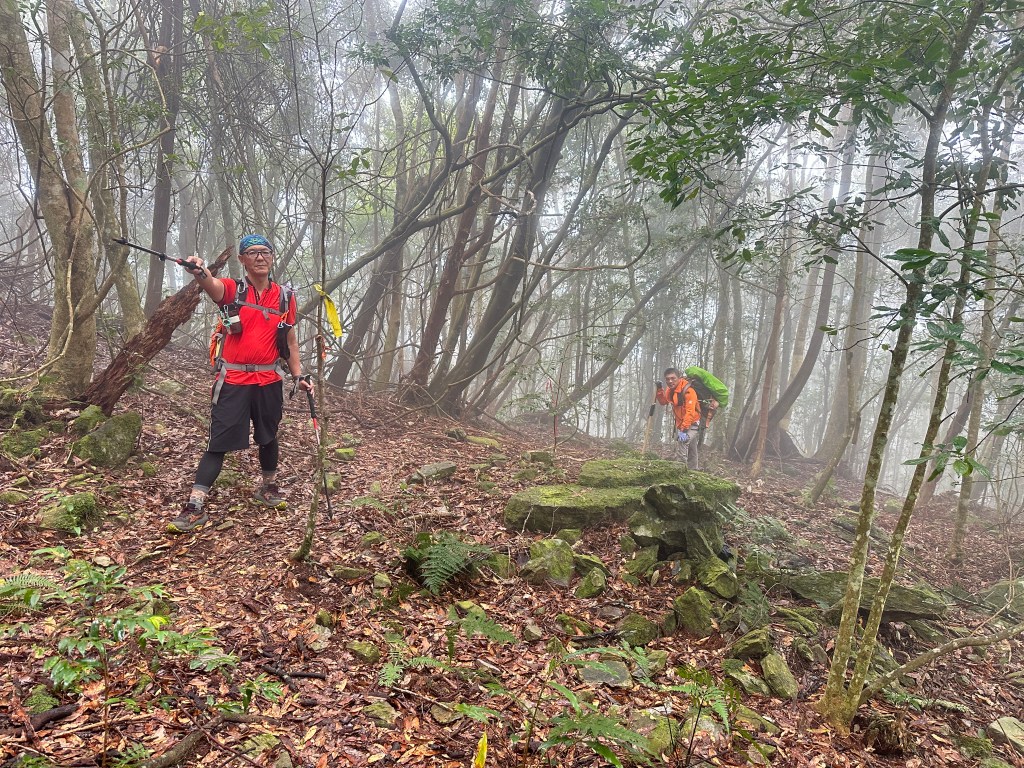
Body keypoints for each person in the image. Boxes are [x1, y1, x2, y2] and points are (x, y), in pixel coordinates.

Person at [167, 234, 313, 534]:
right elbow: (211, 285)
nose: (260, 257)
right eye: (252, 252)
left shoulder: (285, 297)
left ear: (272, 257)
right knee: (218, 442)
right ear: (242, 259)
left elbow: (290, 340)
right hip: (233, 379)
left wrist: (298, 375)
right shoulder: (234, 289)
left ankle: (268, 487)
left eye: (265, 252)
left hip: (269, 379)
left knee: (268, 436)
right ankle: (195, 505)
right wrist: (200, 271)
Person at [655, 367, 701, 470]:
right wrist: (659, 389)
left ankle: (680, 469)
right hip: (682, 424)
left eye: (673, 378)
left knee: (683, 440)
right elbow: (663, 401)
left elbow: (690, 413)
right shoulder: (670, 390)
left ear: (679, 378)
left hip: (693, 423)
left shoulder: (688, 391)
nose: (670, 381)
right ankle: (694, 470)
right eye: (667, 379)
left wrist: (684, 430)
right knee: (692, 448)